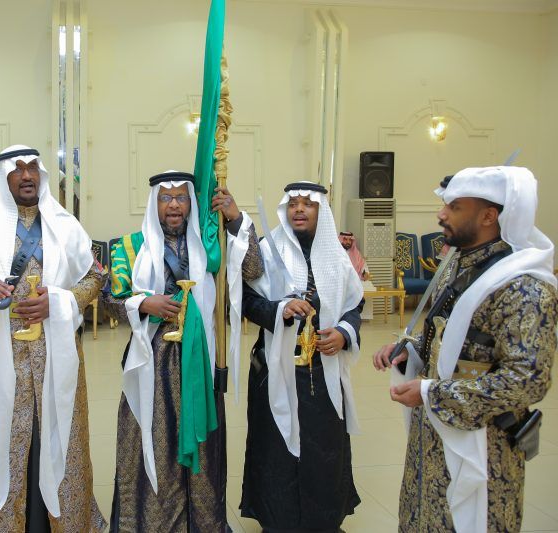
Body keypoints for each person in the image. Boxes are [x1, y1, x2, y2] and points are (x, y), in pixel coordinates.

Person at [373, 167, 558, 532]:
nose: (441, 214)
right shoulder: (456, 264)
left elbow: (527, 381)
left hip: (485, 446)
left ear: (489, 216)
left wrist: (432, 393)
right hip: (432, 438)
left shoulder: (524, 287)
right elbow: (451, 336)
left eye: (455, 207)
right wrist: (413, 352)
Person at [0, 145, 106, 532]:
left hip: (56, 354)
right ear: (4, 177)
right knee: (2, 441)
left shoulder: (64, 224)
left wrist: (61, 301)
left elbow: (94, 277)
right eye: (18, 170)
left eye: (33, 168)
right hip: (1, 356)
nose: (27, 175)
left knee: (60, 436)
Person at [103, 170, 263, 532]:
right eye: (165, 198)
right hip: (152, 363)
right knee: (155, 444)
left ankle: (202, 524)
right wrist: (144, 303)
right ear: (154, 203)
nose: (173, 205)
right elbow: (111, 300)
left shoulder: (211, 246)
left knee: (203, 452)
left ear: (191, 202)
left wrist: (235, 219)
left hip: (200, 361)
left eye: (180, 197)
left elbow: (253, 269)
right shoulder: (130, 247)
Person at [240, 181, 364, 532]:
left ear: (320, 211)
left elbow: (354, 304)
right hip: (276, 366)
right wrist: (280, 309)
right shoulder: (268, 250)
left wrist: (343, 333)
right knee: (276, 447)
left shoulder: (336, 255)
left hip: (323, 369)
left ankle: (323, 522)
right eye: (293, 203)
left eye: (307, 204)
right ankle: (277, 522)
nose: (299, 209)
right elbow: (248, 301)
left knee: (323, 448)